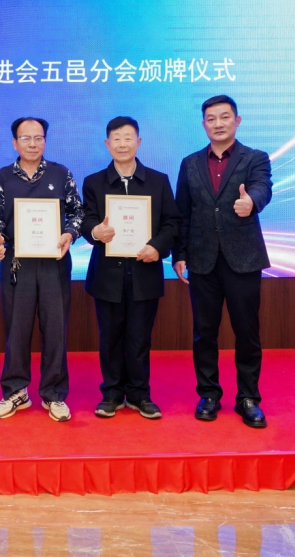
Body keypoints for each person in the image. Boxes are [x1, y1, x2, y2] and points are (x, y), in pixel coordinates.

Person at [173, 95, 272, 428]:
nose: (218, 123)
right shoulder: (190, 163)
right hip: (202, 259)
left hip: (243, 258)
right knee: (204, 332)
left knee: (247, 332)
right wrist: (179, 254)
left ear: (237, 121)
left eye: (225, 117)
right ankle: (209, 394)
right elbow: (183, 212)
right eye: (211, 118)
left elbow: (262, 187)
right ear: (204, 124)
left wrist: (251, 202)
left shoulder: (255, 157)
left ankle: (248, 398)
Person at [81, 116, 179, 419]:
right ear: (107, 144)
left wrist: (157, 247)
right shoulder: (94, 182)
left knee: (139, 337)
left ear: (138, 142)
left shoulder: (158, 181)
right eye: (116, 139)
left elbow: (172, 222)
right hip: (107, 275)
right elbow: (86, 219)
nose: (122, 144)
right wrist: (95, 231)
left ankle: (139, 394)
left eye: (128, 138)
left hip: (144, 272)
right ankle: (111, 393)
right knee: (110, 337)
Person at [0, 117, 83, 422]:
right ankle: (16, 391)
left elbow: (77, 212)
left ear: (45, 141)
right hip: (17, 262)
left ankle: (54, 394)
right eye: (25, 138)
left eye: (38, 138)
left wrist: (70, 233)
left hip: (54, 261)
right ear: (14, 143)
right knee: (17, 329)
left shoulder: (61, 173)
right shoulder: (3, 176)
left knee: (55, 329)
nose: (32, 143)